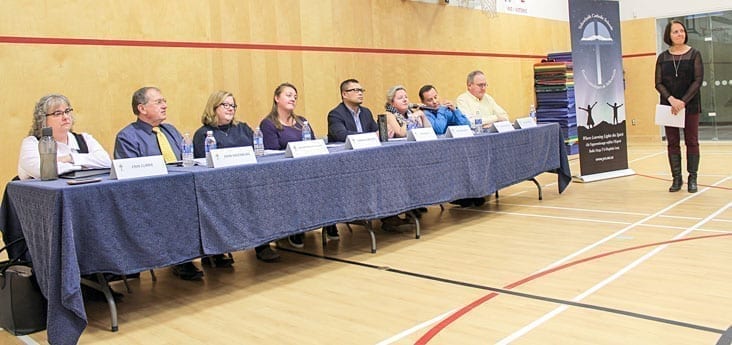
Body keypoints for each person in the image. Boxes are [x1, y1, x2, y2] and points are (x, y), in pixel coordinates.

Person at [114, 86, 203, 281]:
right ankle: (180, 259)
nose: (165, 105)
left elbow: (187, 160)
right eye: (159, 102)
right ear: (142, 108)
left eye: (164, 101)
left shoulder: (170, 130)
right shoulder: (127, 137)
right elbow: (129, 179)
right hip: (149, 197)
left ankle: (206, 253)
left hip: (182, 190)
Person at [193, 90, 280, 263]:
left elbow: (257, 152)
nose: (230, 109)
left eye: (233, 105)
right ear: (214, 107)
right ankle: (216, 253)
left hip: (247, 183)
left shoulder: (242, 128)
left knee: (261, 197)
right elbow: (203, 164)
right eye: (225, 105)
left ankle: (262, 244)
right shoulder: (203, 134)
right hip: (219, 187)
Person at [259, 82, 316, 248]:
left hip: (306, 169)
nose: (293, 99)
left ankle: (328, 224)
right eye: (288, 95)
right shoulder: (268, 124)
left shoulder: (302, 122)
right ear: (277, 98)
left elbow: (312, 144)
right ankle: (294, 229)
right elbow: (272, 154)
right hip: (283, 173)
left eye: (295, 97)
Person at [655, 19, 703, 193]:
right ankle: (677, 178)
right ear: (669, 35)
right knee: (672, 142)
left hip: (689, 106)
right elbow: (658, 83)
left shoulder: (694, 54)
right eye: (675, 31)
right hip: (669, 107)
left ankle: (693, 178)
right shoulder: (662, 57)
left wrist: (682, 101)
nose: (679, 34)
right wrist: (672, 100)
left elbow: (698, 80)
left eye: (681, 31)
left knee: (692, 141)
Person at [18, 94, 112, 180]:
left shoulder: (85, 139)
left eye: (67, 111)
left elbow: (106, 162)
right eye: (57, 113)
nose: (65, 117)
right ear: (42, 119)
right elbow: (43, 171)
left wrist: (70, 158)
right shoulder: (32, 143)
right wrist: (86, 166)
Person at [417, 85, 483, 207]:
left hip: (450, 151)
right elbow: (438, 129)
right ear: (423, 102)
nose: (435, 101)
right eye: (430, 100)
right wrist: (442, 110)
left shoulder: (445, 111)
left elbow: (466, 124)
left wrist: (455, 110)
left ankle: (471, 193)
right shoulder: (425, 113)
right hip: (433, 153)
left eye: (436, 97)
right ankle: (458, 197)